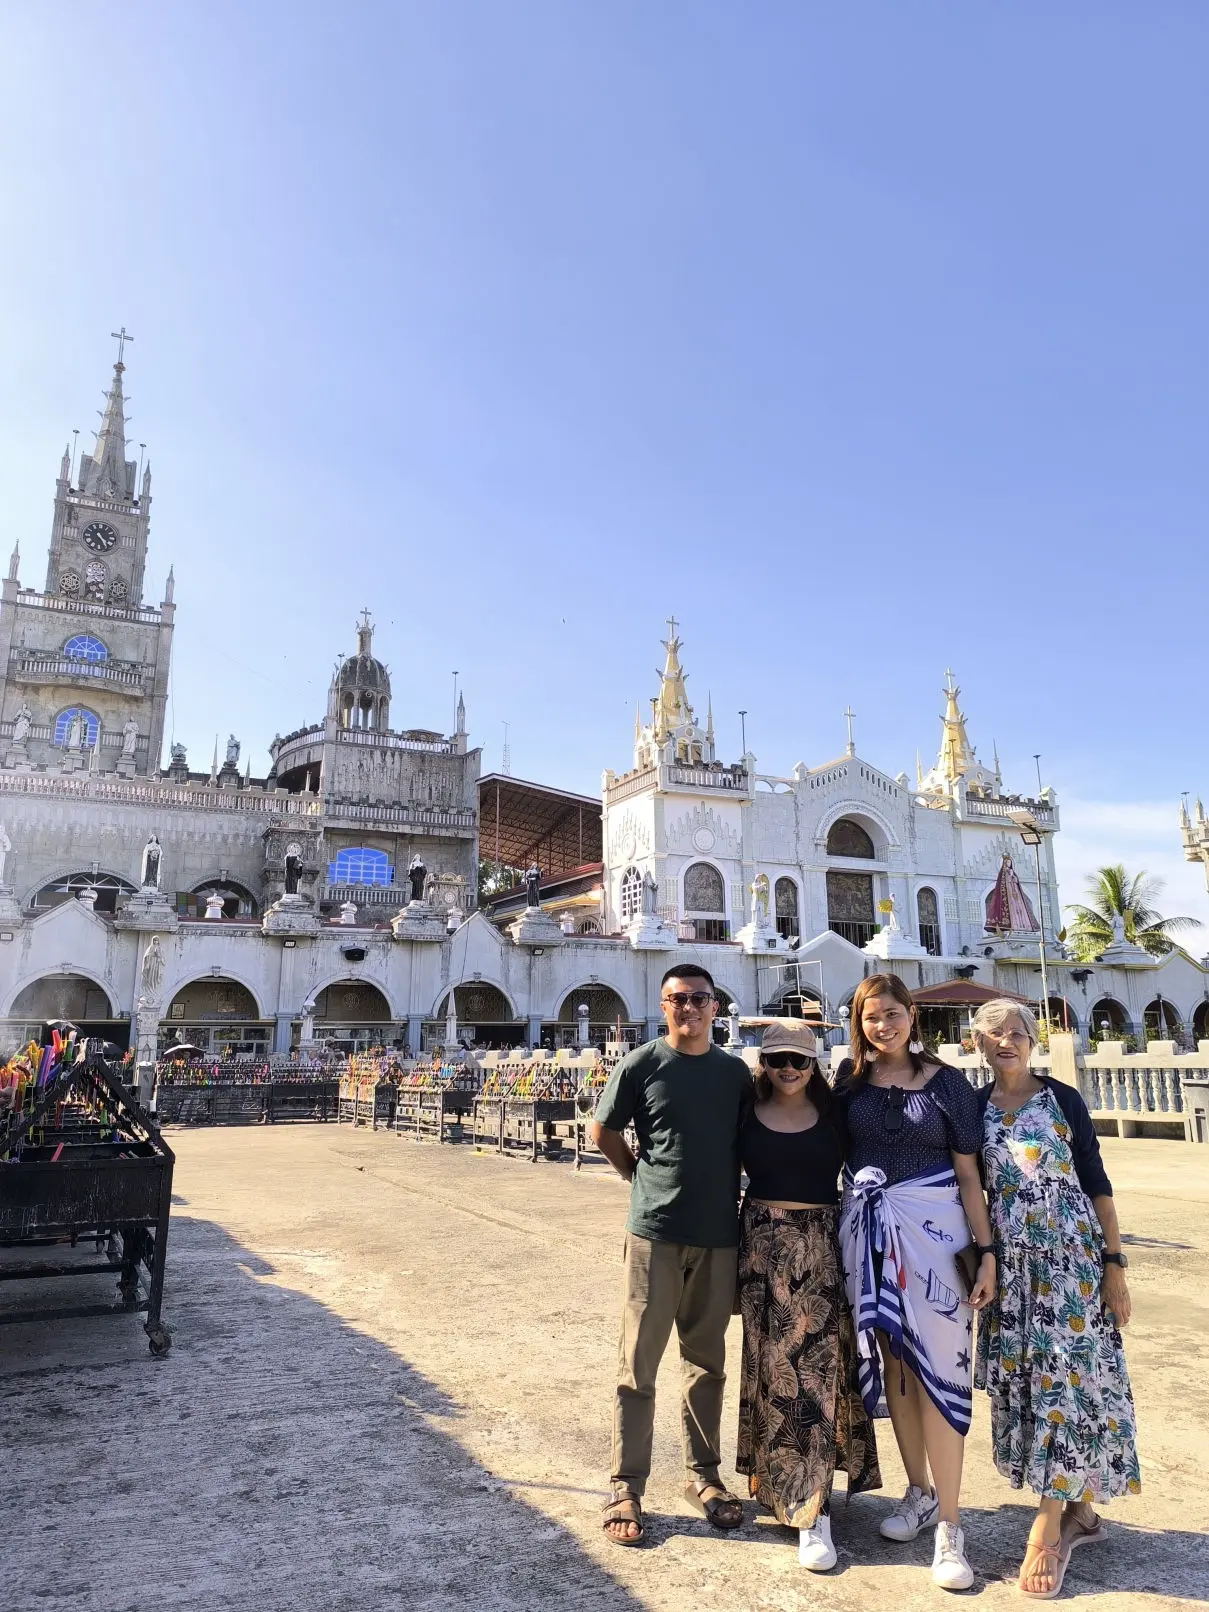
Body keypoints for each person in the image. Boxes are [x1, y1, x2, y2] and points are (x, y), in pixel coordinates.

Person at [971, 999, 1140, 1598]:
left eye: (1018, 1032)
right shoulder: (972, 1110)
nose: (1007, 1041)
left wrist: (1114, 1265)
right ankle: (1081, 1513)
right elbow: (969, 1187)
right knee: (1036, 1385)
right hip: (1014, 1270)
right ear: (979, 1045)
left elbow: (1097, 1183)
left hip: (1072, 1265)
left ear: (1033, 1041)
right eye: (995, 1034)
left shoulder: (1063, 1100)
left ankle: (1046, 1529)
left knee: (1068, 1385)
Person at [835, 972, 995, 1591]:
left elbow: (970, 1176)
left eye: (893, 1013)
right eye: (872, 1017)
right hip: (869, 1239)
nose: (884, 1025)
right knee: (898, 1367)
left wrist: (987, 1252)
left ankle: (951, 1526)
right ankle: (920, 1492)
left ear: (911, 1016)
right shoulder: (848, 1086)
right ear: (860, 1024)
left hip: (936, 1238)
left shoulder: (948, 1085)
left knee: (941, 1371)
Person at [592, 963, 752, 1546]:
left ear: (715, 1007)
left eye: (699, 999)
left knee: (706, 1364)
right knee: (638, 1365)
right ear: (664, 1006)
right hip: (655, 1234)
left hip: (718, 1235)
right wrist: (639, 1178)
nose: (689, 1008)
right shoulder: (643, 1064)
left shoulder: (735, 1075)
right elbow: (602, 1131)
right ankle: (626, 1483)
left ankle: (703, 1478)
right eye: (677, 999)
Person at [736, 1018, 880, 1571]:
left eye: (799, 1060)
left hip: (820, 1248)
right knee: (771, 1372)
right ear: (763, 1065)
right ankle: (779, 1489)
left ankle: (810, 1506)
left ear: (815, 1064)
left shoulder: (837, 1110)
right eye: (777, 1061)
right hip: (760, 1251)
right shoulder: (745, 1110)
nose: (789, 1070)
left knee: (816, 1374)